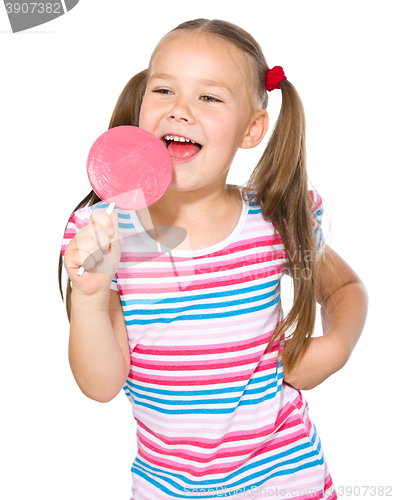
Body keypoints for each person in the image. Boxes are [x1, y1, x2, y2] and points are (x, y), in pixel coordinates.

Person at [58, 18, 368, 500]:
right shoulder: (105, 233)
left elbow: (345, 289)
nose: (180, 111)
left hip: (287, 479)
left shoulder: (275, 222)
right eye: (164, 90)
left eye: (209, 97)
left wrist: (336, 347)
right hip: (167, 487)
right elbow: (100, 384)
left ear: (251, 129)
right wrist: (91, 297)